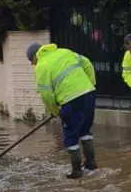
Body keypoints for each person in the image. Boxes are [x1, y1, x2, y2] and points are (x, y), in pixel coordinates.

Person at [28, 42, 97, 179]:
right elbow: (87, 63)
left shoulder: (42, 66)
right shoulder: (65, 51)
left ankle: (76, 170)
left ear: (35, 56)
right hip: (88, 93)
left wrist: (55, 111)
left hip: (70, 99)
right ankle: (90, 163)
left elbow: (46, 94)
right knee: (84, 128)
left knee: (70, 134)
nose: (32, 64)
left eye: (31, 60)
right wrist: (91, 83)